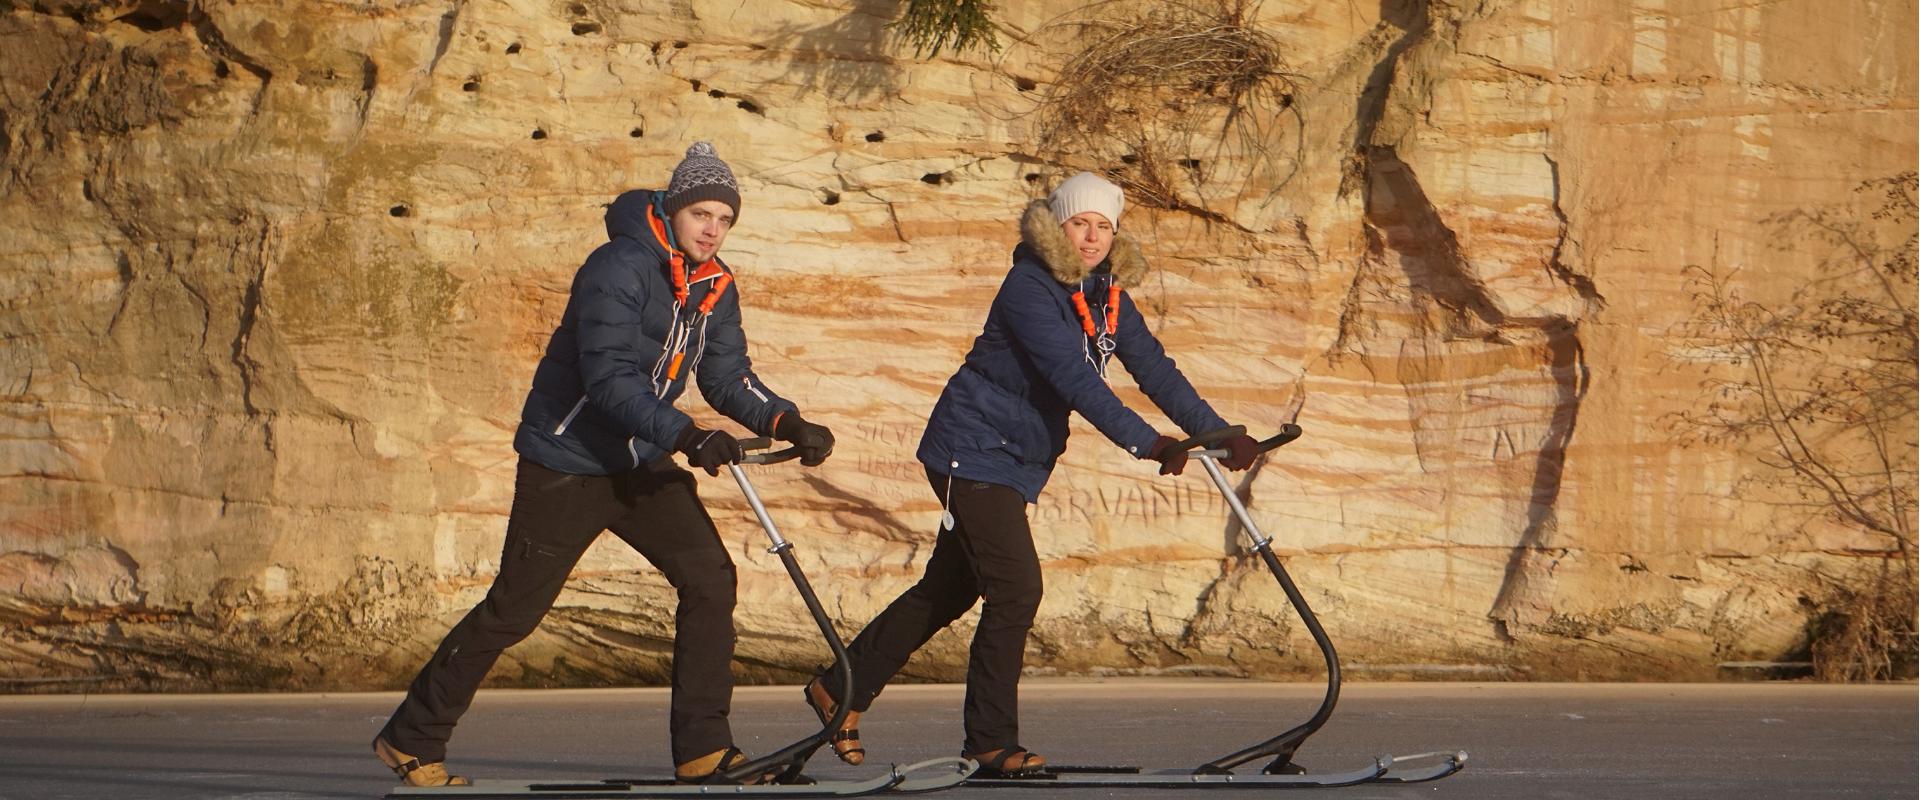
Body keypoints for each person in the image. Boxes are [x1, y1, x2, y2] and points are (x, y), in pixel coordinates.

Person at [372, 142, 837, 787]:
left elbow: (727, 375)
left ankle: (703, 749)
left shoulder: (714, 283)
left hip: (639, 460)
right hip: (568, 458)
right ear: (673, 210)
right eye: (701, 214)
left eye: (724, 219)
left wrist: (786, 420)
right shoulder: (619, 265)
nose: (712, 229)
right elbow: (611, 375)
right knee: (514, 610)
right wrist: (686, 435)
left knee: (710, 578)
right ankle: (410, 736)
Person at [800, 172, 1259, 776]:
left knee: (951, 586)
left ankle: (841, 687)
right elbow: (1074, 378)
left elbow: (1155, 370)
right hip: (971, 449)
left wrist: (1220, 433)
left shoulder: (1106, 294)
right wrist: (1148, 443)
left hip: (1012, 460)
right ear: (1059, 226)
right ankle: (989, 742)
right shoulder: (1029, 286)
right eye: (1080, 223)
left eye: (1103, 225)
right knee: (1016, 589)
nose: (1092, 236)